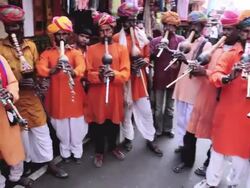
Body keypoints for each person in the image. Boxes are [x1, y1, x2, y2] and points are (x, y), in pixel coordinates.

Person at [0, 5, 68, 187]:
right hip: (11, 102)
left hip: (32, 99)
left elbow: (38, 69)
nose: (15, 30)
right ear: (5, 28)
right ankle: (19, 173)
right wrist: (18, 83)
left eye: (18, 25)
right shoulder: (0, 48)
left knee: (42, 132)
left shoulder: (31, 46)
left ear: (22, 25)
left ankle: (50, 163)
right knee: (18, 140)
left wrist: (38, 80)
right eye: (11, 26)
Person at [173, 10, 240, 174]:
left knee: (215, 137)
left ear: (238, 30)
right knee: (190, 132)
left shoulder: (239, 54)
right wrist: (196, 69)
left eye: (229, 29)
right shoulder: (216, 48)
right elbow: (204, 69)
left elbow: (229, 80)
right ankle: (187, 161)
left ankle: (208, 165)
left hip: (220, 101)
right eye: (224, 28)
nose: (225, 32)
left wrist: (205, 73)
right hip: (202, 97)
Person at [194, 12, 250, 188]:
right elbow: (216, 73)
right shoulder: (232, 54)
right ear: (240, 33)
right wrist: (227, 77)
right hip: (227, 111)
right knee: (218, 149)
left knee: (242, 154)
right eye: (245, 32)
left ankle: (234, 183)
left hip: (246, 116)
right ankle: (211, 182)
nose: (248, 36)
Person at [36, 16, 88, 164]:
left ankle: (76, 152)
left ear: (68, 35)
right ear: (54, 36)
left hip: (74, 94)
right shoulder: (47, 53)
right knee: (61, 126)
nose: (61, 37)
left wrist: (73, 72)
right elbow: (40, 68)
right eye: (58, 34)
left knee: (77, 124)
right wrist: (53, 70)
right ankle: (65, 152)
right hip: (57, 95)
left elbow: (81, 67)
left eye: (64, 34)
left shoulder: (75, 52)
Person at [114, 2, 163, 156]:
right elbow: (116, 60)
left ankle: (150, 139)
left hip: (139, 80)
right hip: (125, 81)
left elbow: (148, 55)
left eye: (134, 20)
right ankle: (128, 138)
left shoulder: (142, 36)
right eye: (129, 20)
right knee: (126, 113)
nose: (132, 24)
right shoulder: (116, 39)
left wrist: (146, 61)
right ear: (122, 21)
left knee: (146, 111)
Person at [86, 12, 130, 168]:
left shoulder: (122, 49)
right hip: (97, 94)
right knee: (98, 123)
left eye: (108, 30)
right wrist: (98, 75)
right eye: (101, 31)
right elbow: (87, 73)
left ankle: (113, 147)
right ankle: (99, 151)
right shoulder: (91, 49)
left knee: (113, 121)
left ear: (113, 30)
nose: (105, 34)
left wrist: (114, 74)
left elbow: (126, 73)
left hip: (115, 92)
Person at [172, 11, 212, 154]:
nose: (194, 28)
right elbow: (176, 67)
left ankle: (188, 152)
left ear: (202, 27)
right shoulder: (184, 43)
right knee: (181, 120)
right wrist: (176, 59)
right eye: (192, 25)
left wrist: (185, 60)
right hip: (181, 86)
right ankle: (182, 145)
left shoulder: (206, 46)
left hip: (194, 90)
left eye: (197, 25)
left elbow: (202, 69)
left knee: (190, 123)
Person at [150, 11, 184, 138]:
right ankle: (157, 129)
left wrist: (168, 50)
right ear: (163, 26)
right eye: (166, 25)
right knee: (158, 109)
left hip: (173, 79)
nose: (169, 28)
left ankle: (167, 129)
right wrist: (158, 49)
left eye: (172, 26)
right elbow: (150, 57)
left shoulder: (181, 41)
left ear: (176, 27)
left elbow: (182, 58)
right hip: (159, 78)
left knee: (170, 109)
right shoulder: (155, 41)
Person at [0, 55, 25, 188]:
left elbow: (12, 82)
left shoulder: (1, 59)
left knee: (14, 145)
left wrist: (10, 94)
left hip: (6, 111)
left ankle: (16, 177)